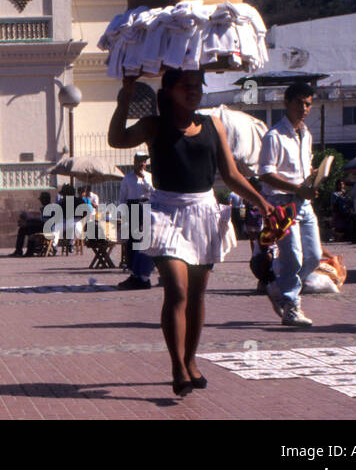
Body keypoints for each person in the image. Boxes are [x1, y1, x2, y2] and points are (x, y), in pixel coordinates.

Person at [109, 69, 273, 397]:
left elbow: (230, 174)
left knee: (197, 295)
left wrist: (261, 201)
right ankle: (177, 366)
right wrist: (126, 93)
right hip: (165, 212)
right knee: (178, 290)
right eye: (187, 86)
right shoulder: (154, 126)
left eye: (198, 86)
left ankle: (191, 359)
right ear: (169, 90)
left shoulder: (214, 127)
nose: (194, 92)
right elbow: (116, 139)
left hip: (203, 213)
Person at [256, 82, 322, 328]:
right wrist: (296, 188)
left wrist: (313, 178)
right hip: (282, 203)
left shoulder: (306, 135)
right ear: (287, 103)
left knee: (314, 257)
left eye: (308, 104)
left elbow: (304, 168)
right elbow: (265, 173)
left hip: (304, 203)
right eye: (300, 103)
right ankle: (291, 305)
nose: (304, 109)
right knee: (292, 255)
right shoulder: (274, 136)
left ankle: (279, 287)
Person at [117, 151, 154, 289]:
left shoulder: (149, 177)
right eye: (139, 161)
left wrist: (145, 181)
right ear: (134, 162)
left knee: (143, 241)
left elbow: (154, 193)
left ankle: (143, 275)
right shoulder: (127, 178)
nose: (142, 164)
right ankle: (133, 273)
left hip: (146, 207)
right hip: (132, 207)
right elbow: (122, 197)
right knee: (132, 242)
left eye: (144, 161)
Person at [11, 191, 52, 256]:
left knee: (30, 229)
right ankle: (18, 250)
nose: (41, 201)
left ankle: (30, 251)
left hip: (46, 228)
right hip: (42, 225)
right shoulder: (45, 208)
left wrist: (30, 220)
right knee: (22, 229)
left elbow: (44, 221)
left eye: (42, 199)